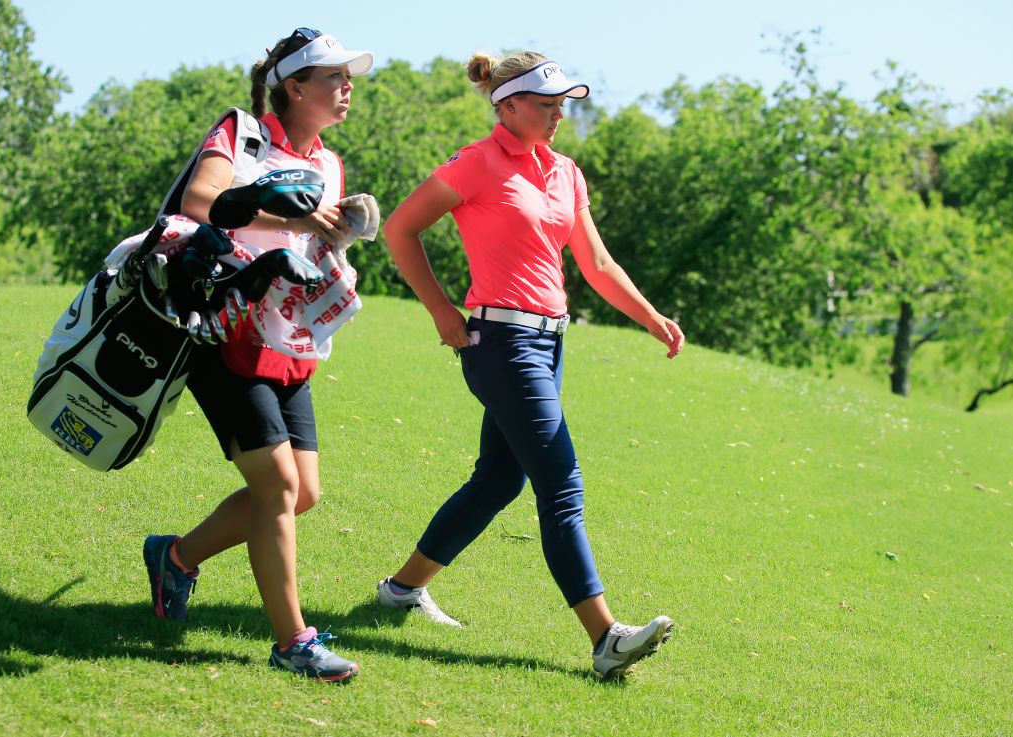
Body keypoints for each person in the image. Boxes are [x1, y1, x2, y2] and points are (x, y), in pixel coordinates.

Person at [375, 51, 686, 679]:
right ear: (507, 104)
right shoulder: (476, 163)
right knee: (561, 485)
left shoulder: (565, 173)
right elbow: (401, 229)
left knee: (498, 481)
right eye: (546, 105)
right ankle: (605, 638)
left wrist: (652, 318)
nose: (557, 115)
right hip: (500, 344)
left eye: (562, 105)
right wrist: (440, 310)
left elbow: (595, 265)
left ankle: (401, 589)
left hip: (550, 343)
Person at [142, 27, 372, 682]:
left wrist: (338, 249)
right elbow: (199, 204)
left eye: (348, 75)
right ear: (295, 87)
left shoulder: (328, 163)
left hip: (287, 336)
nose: (346, 85)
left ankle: (176, 557)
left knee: (304, 494)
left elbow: (307, 245)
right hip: (221, 327)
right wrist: (296, 221)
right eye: (333, 75)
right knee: (276, 484)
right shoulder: (242, 133)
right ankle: (292, 641)